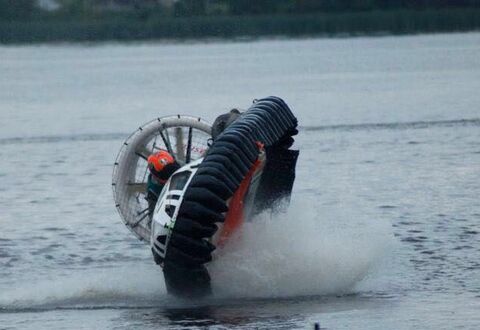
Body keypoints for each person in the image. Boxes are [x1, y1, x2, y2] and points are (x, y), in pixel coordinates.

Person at [146, 150, 180, 215]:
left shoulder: (182, 168)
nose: (171, 175)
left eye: (172, 170)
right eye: (166, 173)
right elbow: (153, 215)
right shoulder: (153, 191)